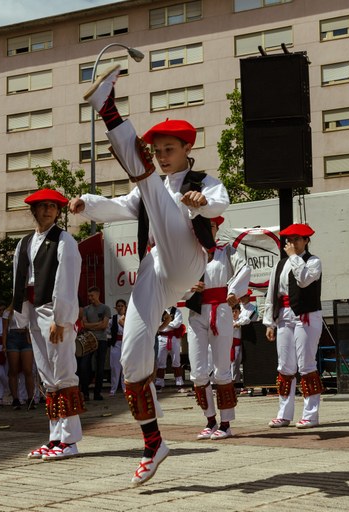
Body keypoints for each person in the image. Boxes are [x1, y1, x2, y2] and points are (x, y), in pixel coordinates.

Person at [71, 63, 229, 485]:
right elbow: (120, 207)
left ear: (187, 149)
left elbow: (220, 203)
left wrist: (201, 203)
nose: (161, 156)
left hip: (187, 261)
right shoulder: (149, 188)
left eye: (167, 150)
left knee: (150, 189)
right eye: (156, 151)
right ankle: (153, 442)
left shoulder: (203, 180)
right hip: (154, 269)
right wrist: (87, 204)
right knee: (132, 356)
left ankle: (108, 109)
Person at [12, 188, 83, 461]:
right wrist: (21, 315)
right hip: (33, 310)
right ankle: (55, 438)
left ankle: (70, 440)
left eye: (53, 206)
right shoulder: (24, 242)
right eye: (43, 206)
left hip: (53, 311)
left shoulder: (64, 240)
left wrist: (60, 319)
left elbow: (67, 280)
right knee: (48, 378)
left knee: (63, 373)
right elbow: (18, 279)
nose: (48, 210)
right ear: (34, 210)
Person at [185, 215, 250, 440]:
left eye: (209, 226)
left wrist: (233, 291)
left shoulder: (227, 251)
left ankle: (226, 423)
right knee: (197, 370)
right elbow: (175, 280)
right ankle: (210, 420)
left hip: (220, 310)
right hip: (196, 311)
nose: (205, 230)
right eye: (201, 227)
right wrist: (189, 287)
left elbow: (244, 269)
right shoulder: (192, 255)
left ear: (216, 228)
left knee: (222, 367)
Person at [263, 223, 324, 429]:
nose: (292, 243)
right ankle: (283, 413)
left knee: (306, 365)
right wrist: (270, 322)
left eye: (297, 239)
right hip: (284, 315)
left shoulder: (313, 261)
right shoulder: (280, 265)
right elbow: (272, 293)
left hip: (306, 314)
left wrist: (294, 257)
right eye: (289, 240)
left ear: (306, 241)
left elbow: (304, 280)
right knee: (285, 366)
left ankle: (311, 414)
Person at [79, 286, 111, 401]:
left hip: (102, 340)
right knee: (84, 366)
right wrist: (98, 324)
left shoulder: (105, 308)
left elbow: (104, 325)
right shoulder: (86, 309)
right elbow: (84, 325)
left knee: (100, 367)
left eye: (92, 295)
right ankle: (85, 393)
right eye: (89, 296)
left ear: (98, 295)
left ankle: (97, 393)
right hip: (88, 340)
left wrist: (91, 326)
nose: (90, 298)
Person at [3, 305, 36, 410]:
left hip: (26, 336)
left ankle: (30, 398)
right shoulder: (8, 312)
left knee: (28, 370)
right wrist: (4, 345)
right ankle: (15, 399)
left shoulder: (29, 308)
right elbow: (4, 330)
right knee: (13, 370)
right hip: (13, 337)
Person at [155, 306, 185, 392]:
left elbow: (177, 324)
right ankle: (159, 383)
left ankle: (179, 383)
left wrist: (164, 323)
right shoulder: (160, 310)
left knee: (176, 361)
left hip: (174, 338)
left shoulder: (177, 311)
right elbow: (156, 324)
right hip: (162, 338)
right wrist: (170, 322)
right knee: (160, 361)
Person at [234, 290, 258, 393]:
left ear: (248, 296)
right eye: (241, 296)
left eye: (244, 296)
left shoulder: (253, 308)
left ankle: (248, 384)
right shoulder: (237, 307)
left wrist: (238, 323)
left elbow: (248, 319)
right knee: (235, 362)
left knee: (247, 361)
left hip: (248, 337)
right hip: (238, 337)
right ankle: (237, 384)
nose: (242, 298)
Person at [108, 299, 127, 397]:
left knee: (125, 366)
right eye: (118, 306)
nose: (120, 308)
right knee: (115, 367)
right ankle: (113, 389)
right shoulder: (113, 319)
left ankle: (125, 388)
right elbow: (107, 330)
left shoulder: (129, 317)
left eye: (121, 306)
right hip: (116, 344)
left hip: (126, 344)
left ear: (125, 307)